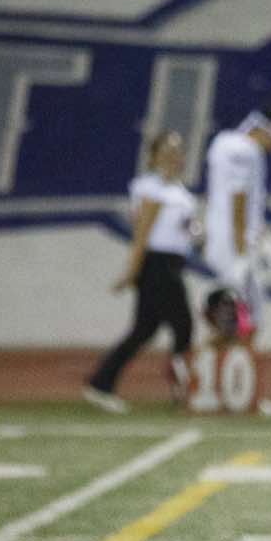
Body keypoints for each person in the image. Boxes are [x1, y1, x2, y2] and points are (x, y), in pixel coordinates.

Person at [83, 133, 196, 413]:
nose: (174, 157)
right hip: (157, 263)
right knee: (183, 324)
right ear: (154, 156)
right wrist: (131, 270)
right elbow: (142, 233)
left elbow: (183, 229)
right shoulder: (151, 187)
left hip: (173, 261)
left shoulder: (179, 190)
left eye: (178, 151)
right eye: (167, 151)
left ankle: (100, 383)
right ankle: (182, 386)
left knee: (144, 329)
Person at [202, 101, 271, 332]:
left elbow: (239, 204)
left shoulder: (223, 142)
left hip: (226, 235)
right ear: (264, 129)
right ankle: (217, 352)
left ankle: (227, 353)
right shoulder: (246, 151)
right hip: (234, 242)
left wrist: (266, 241)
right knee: (239, 315)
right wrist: (241, 252)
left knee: (243, 314)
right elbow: (238, 201)